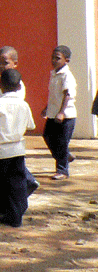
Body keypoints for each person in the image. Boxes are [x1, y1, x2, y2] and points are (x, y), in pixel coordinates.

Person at [0, 69, 37, 227]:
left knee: (2, 182)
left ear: (0, 85)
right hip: (17, 150)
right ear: (20, 87)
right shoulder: (24, 105)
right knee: (17, 182)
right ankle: (19, 208)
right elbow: (31, 126)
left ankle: (11, 214)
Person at [41, 45, 76, 180]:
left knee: (61, 142)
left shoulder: (67, 76)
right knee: (48, 136)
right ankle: (66, 155)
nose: (54, 61)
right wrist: (46, 108)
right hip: (53, 113)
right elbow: (54, 95)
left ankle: (62, 170)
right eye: (53, 58)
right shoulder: (54, 74)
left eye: (58, 58)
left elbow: (67, 95)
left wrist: (62, 112)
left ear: (66, 60)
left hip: (66, 116)